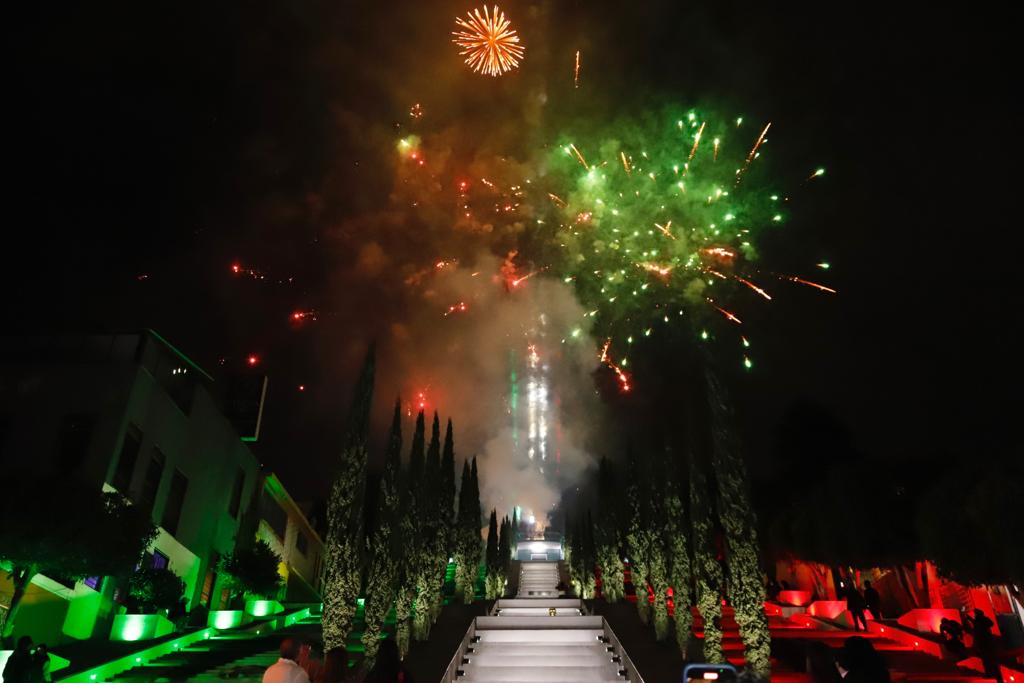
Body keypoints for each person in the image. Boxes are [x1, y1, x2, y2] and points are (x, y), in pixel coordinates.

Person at [964, 609, 1002, 683]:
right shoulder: (982, 620)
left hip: (983, 643)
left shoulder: (978, 621)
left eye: (975, 614)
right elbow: (990, 624)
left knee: (987, 661)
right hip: (987, 643)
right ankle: (995, 676)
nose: (974, 615)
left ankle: (991, 675)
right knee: (991, 661)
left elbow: (977, 628)